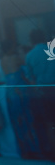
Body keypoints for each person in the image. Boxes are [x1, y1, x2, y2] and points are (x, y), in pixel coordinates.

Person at [24, 29, 55, 159]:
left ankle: (53, 152)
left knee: (50, 123)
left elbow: (29, 77)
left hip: (43, 91)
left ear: (31, 40)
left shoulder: (29, 55)